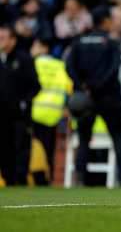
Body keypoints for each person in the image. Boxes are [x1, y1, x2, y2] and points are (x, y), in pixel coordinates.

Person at [65, 6, 121, 185]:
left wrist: (83, 86)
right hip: (109, 96)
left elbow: (69, 67)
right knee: (117, 136)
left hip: (84, 98)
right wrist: (98, 85)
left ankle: (80, 178)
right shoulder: (111, 42)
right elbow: (114, 68)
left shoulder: (78, 42)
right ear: (106, 21)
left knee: (84, 138)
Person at [0, 24, 41, 185]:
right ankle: (8, 179)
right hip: (1, 116)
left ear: (13, 40)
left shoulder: (23, 59)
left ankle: (21, 179)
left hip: (19, 116)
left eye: (3, 38)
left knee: (21, 147)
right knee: (3, 148)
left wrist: (24, 102)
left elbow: (35, 86)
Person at [29, 37, 73, 184]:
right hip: (53, 114)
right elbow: (68, 89)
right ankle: (47, 179)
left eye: (35, 44)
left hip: (32, 113)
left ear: (44, 47)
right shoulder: (60, 66)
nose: (32, 48)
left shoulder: (32, 64)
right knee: (49, 150)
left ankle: (32, 178)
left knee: (30, 150)